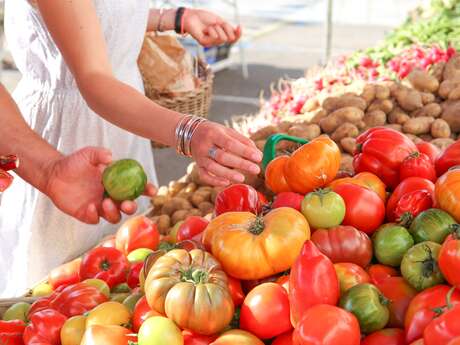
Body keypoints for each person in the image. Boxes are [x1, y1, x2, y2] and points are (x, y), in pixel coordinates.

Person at [0, 1, 262, 297]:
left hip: (126, 123)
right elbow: (94, 78)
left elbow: (96, 16)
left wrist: (173, 18)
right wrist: (188, 132)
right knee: (55, 289)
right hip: (69, 135)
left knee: (124, 274)